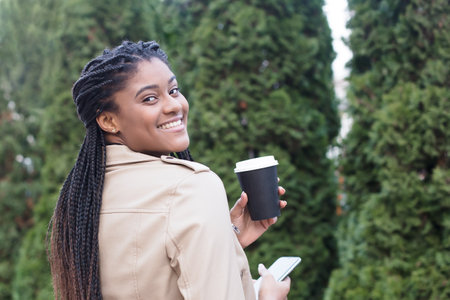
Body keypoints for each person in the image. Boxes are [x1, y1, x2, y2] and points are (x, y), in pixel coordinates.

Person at [48, 40, 291, 300]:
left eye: (173, 90)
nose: (174, 105)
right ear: (109, 120)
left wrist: (224, 236)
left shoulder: (81, 200)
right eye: (150, 98)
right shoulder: (190, 187)